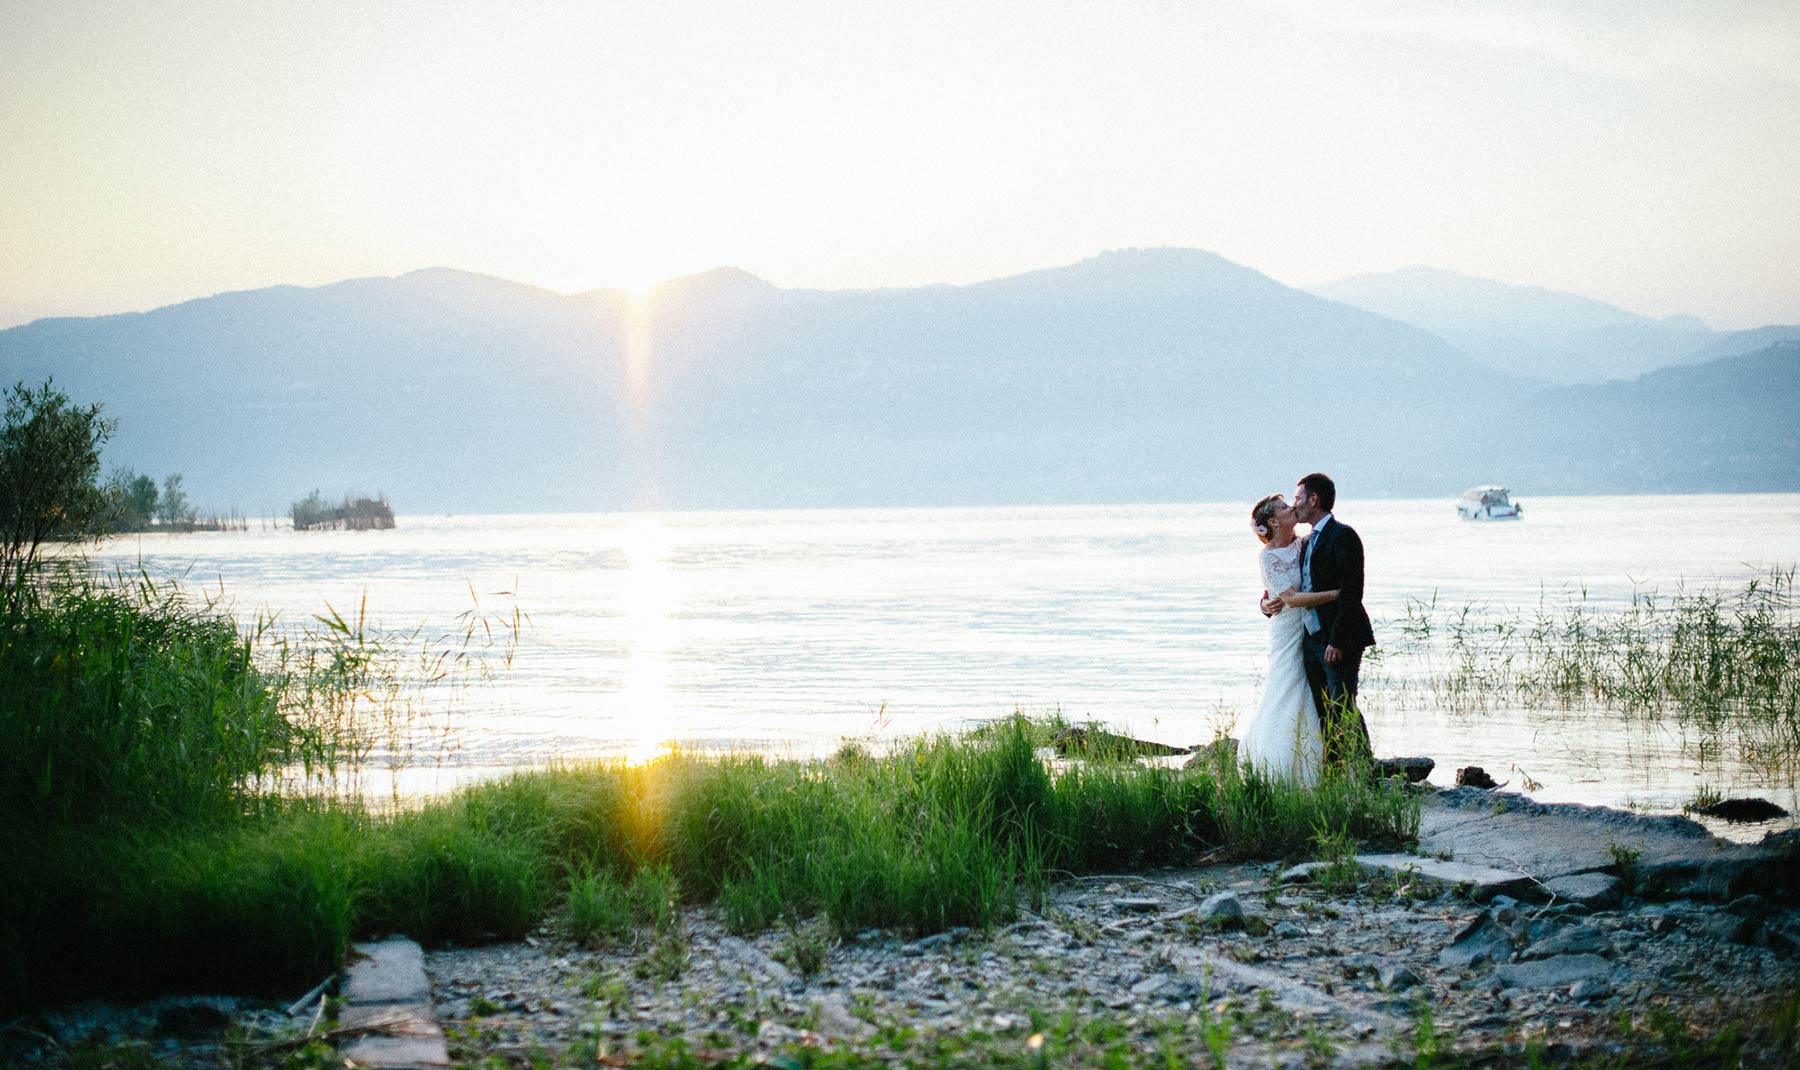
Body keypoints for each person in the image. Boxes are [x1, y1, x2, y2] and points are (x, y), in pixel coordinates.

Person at [1261, 472, 1375, 767]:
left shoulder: (1344, 535)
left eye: (1297, 498)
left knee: (1343, 704)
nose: (1294, 504)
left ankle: (1364, 768)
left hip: (1340, 637)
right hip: (1309, 639)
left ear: (1314, 499)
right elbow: (1281, 588)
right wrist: (1265, 604)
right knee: (1322, 708)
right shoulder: (1304, 542)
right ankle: (1333, 770)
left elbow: (1353, 593)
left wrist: (1336, 641)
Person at [1237, 494, 1326, 785]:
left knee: (1307, 691)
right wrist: (1338, 594)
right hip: (1286, 632)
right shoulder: (1269, 556)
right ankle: (1275, 763)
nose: (1293, 508)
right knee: (1286, 686)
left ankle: (1310, 760)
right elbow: (1287, 597)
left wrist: (1264, 602)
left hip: (1309, 629)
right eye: (1286, 508)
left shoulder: (1303, 544)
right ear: (1274, 521)